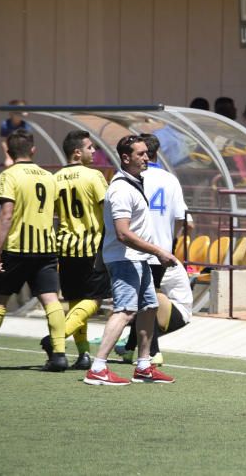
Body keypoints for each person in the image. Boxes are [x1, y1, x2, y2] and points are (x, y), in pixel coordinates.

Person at [83, 135, 179, 385]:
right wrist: (158, 251)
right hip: (125, 259)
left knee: (149, 307)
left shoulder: (134, 182)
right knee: (125, 310)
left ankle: (144, 365)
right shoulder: (121, 188)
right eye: (141, 154)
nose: (147, 158)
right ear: (125, 158)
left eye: (147, 153)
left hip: (138, 258)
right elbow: (123, 233)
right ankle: (98, 367)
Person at [0, 129, 67, 371]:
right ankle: (59, 355)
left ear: (9, 152)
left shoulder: (9, 175)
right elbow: (56, 213)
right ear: (33, 150)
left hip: (16, 249)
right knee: (51, 300)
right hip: (46, 248)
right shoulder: (49, 176)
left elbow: (6, 214)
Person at [48, 130, 111, 370]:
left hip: (65, 246)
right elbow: (108, 209)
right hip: (92, 247)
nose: (94, 151)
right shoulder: (94, 176)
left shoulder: (55, 178)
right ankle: (56, 338)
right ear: (77, 152)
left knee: (75, 301)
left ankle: (83, 354)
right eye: (90, 147)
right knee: (95, 299)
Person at [0, 99, 29, 168]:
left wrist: (24, 158)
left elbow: (27, 144)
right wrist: (8, 157)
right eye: (18, 110)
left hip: (23, 154)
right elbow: (4, 142)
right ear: (11, 113)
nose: (21, 112)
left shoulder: (26, 126)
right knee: (9, 165)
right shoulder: (5, 124)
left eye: (23, 110)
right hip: (10, 153)